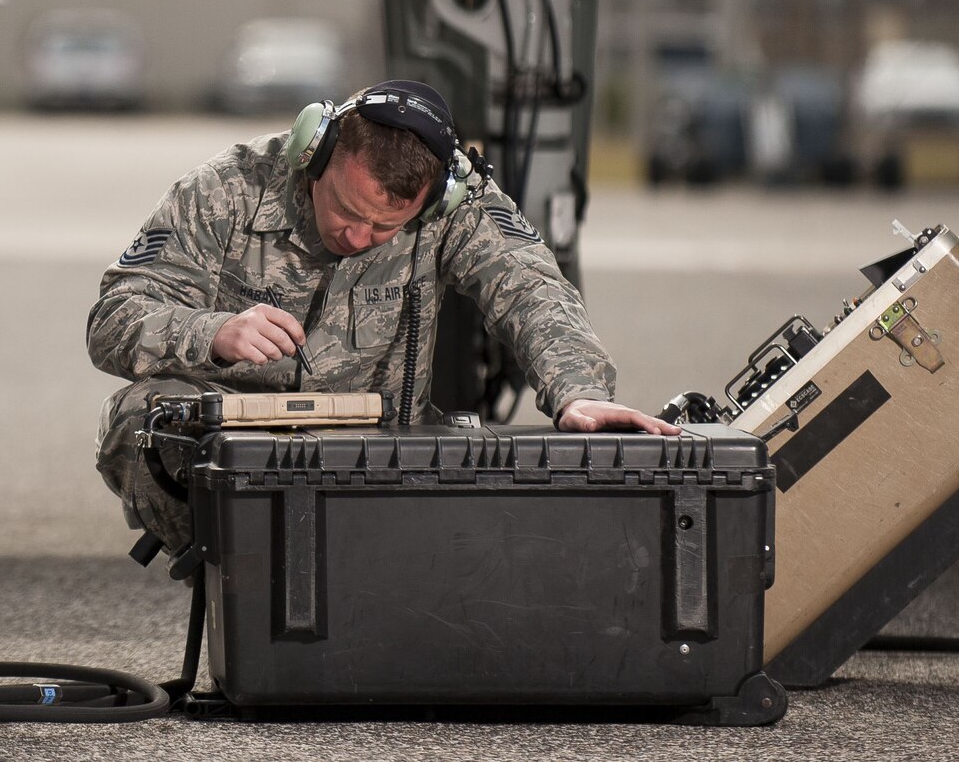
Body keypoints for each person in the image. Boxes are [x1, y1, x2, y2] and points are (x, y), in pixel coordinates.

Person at [88, 80, 677, 555]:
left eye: (385, 227)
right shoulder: (223, 191)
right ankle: (239, 585)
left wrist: (578, 394)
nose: (359, 237)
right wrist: (211, 333)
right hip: (236, 446)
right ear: (313, 155)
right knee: (140, 418)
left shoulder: (456, 206)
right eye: (346, 209)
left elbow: (532, 290)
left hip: (380, 451)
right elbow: (113, 317)